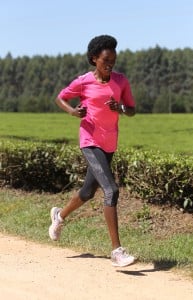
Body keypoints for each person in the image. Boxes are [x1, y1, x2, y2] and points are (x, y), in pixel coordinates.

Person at [49, 34, 136, 267]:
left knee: (87, 192)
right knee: (111, 190)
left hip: (109, 143)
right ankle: (117, 251)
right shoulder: (84, 81)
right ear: (94, 59)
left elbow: (132, 110)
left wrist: (120, 107)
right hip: (90, 141)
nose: (110, 64)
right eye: (106, 60)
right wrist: (72, 112)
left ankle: (59, 216)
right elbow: (61, 97)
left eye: (113, 60)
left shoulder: (121, 81)